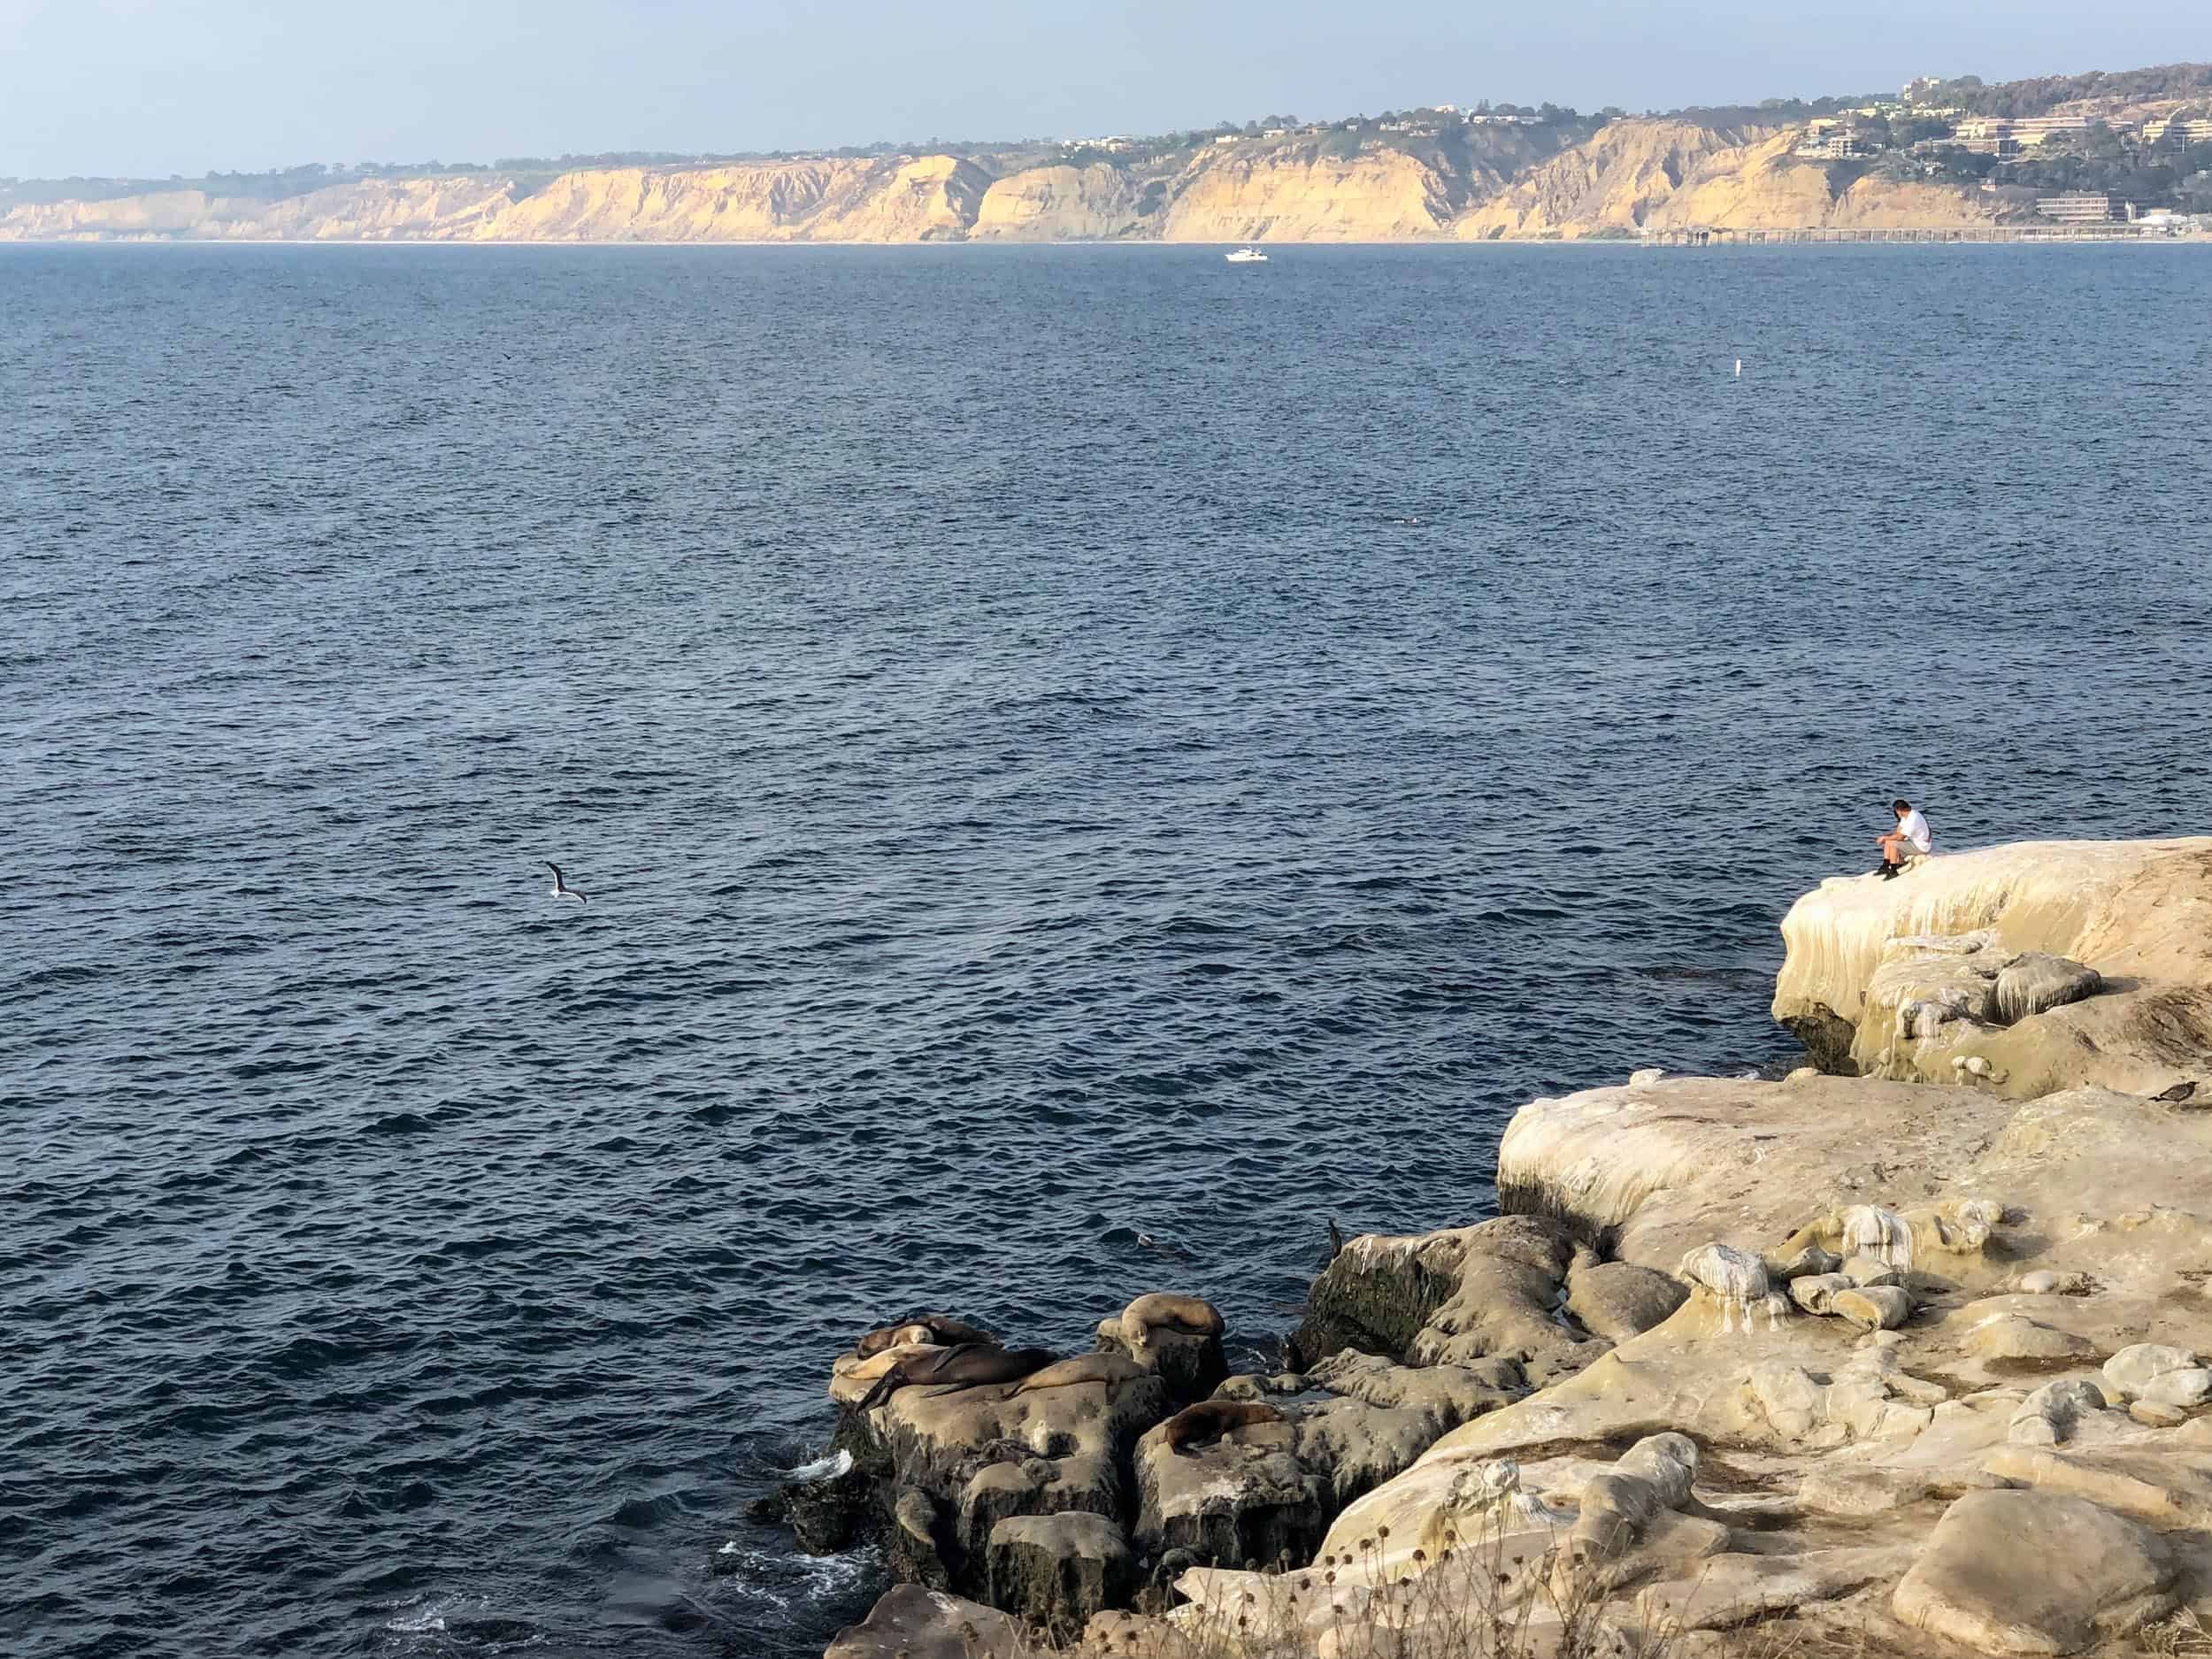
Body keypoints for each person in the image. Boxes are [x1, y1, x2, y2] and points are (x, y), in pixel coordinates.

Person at [1875, 798, 1933, 879]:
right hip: (1915, 842)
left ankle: (1893, 871)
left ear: (1898, 810)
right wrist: (1887, 838)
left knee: (1892, 843)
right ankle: (1886, 865)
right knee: (1889, 841)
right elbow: (1898, 832)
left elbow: (1900, 837)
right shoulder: (1907, 816)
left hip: (1921, 847)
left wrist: (1884, 838)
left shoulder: (1913, 818)